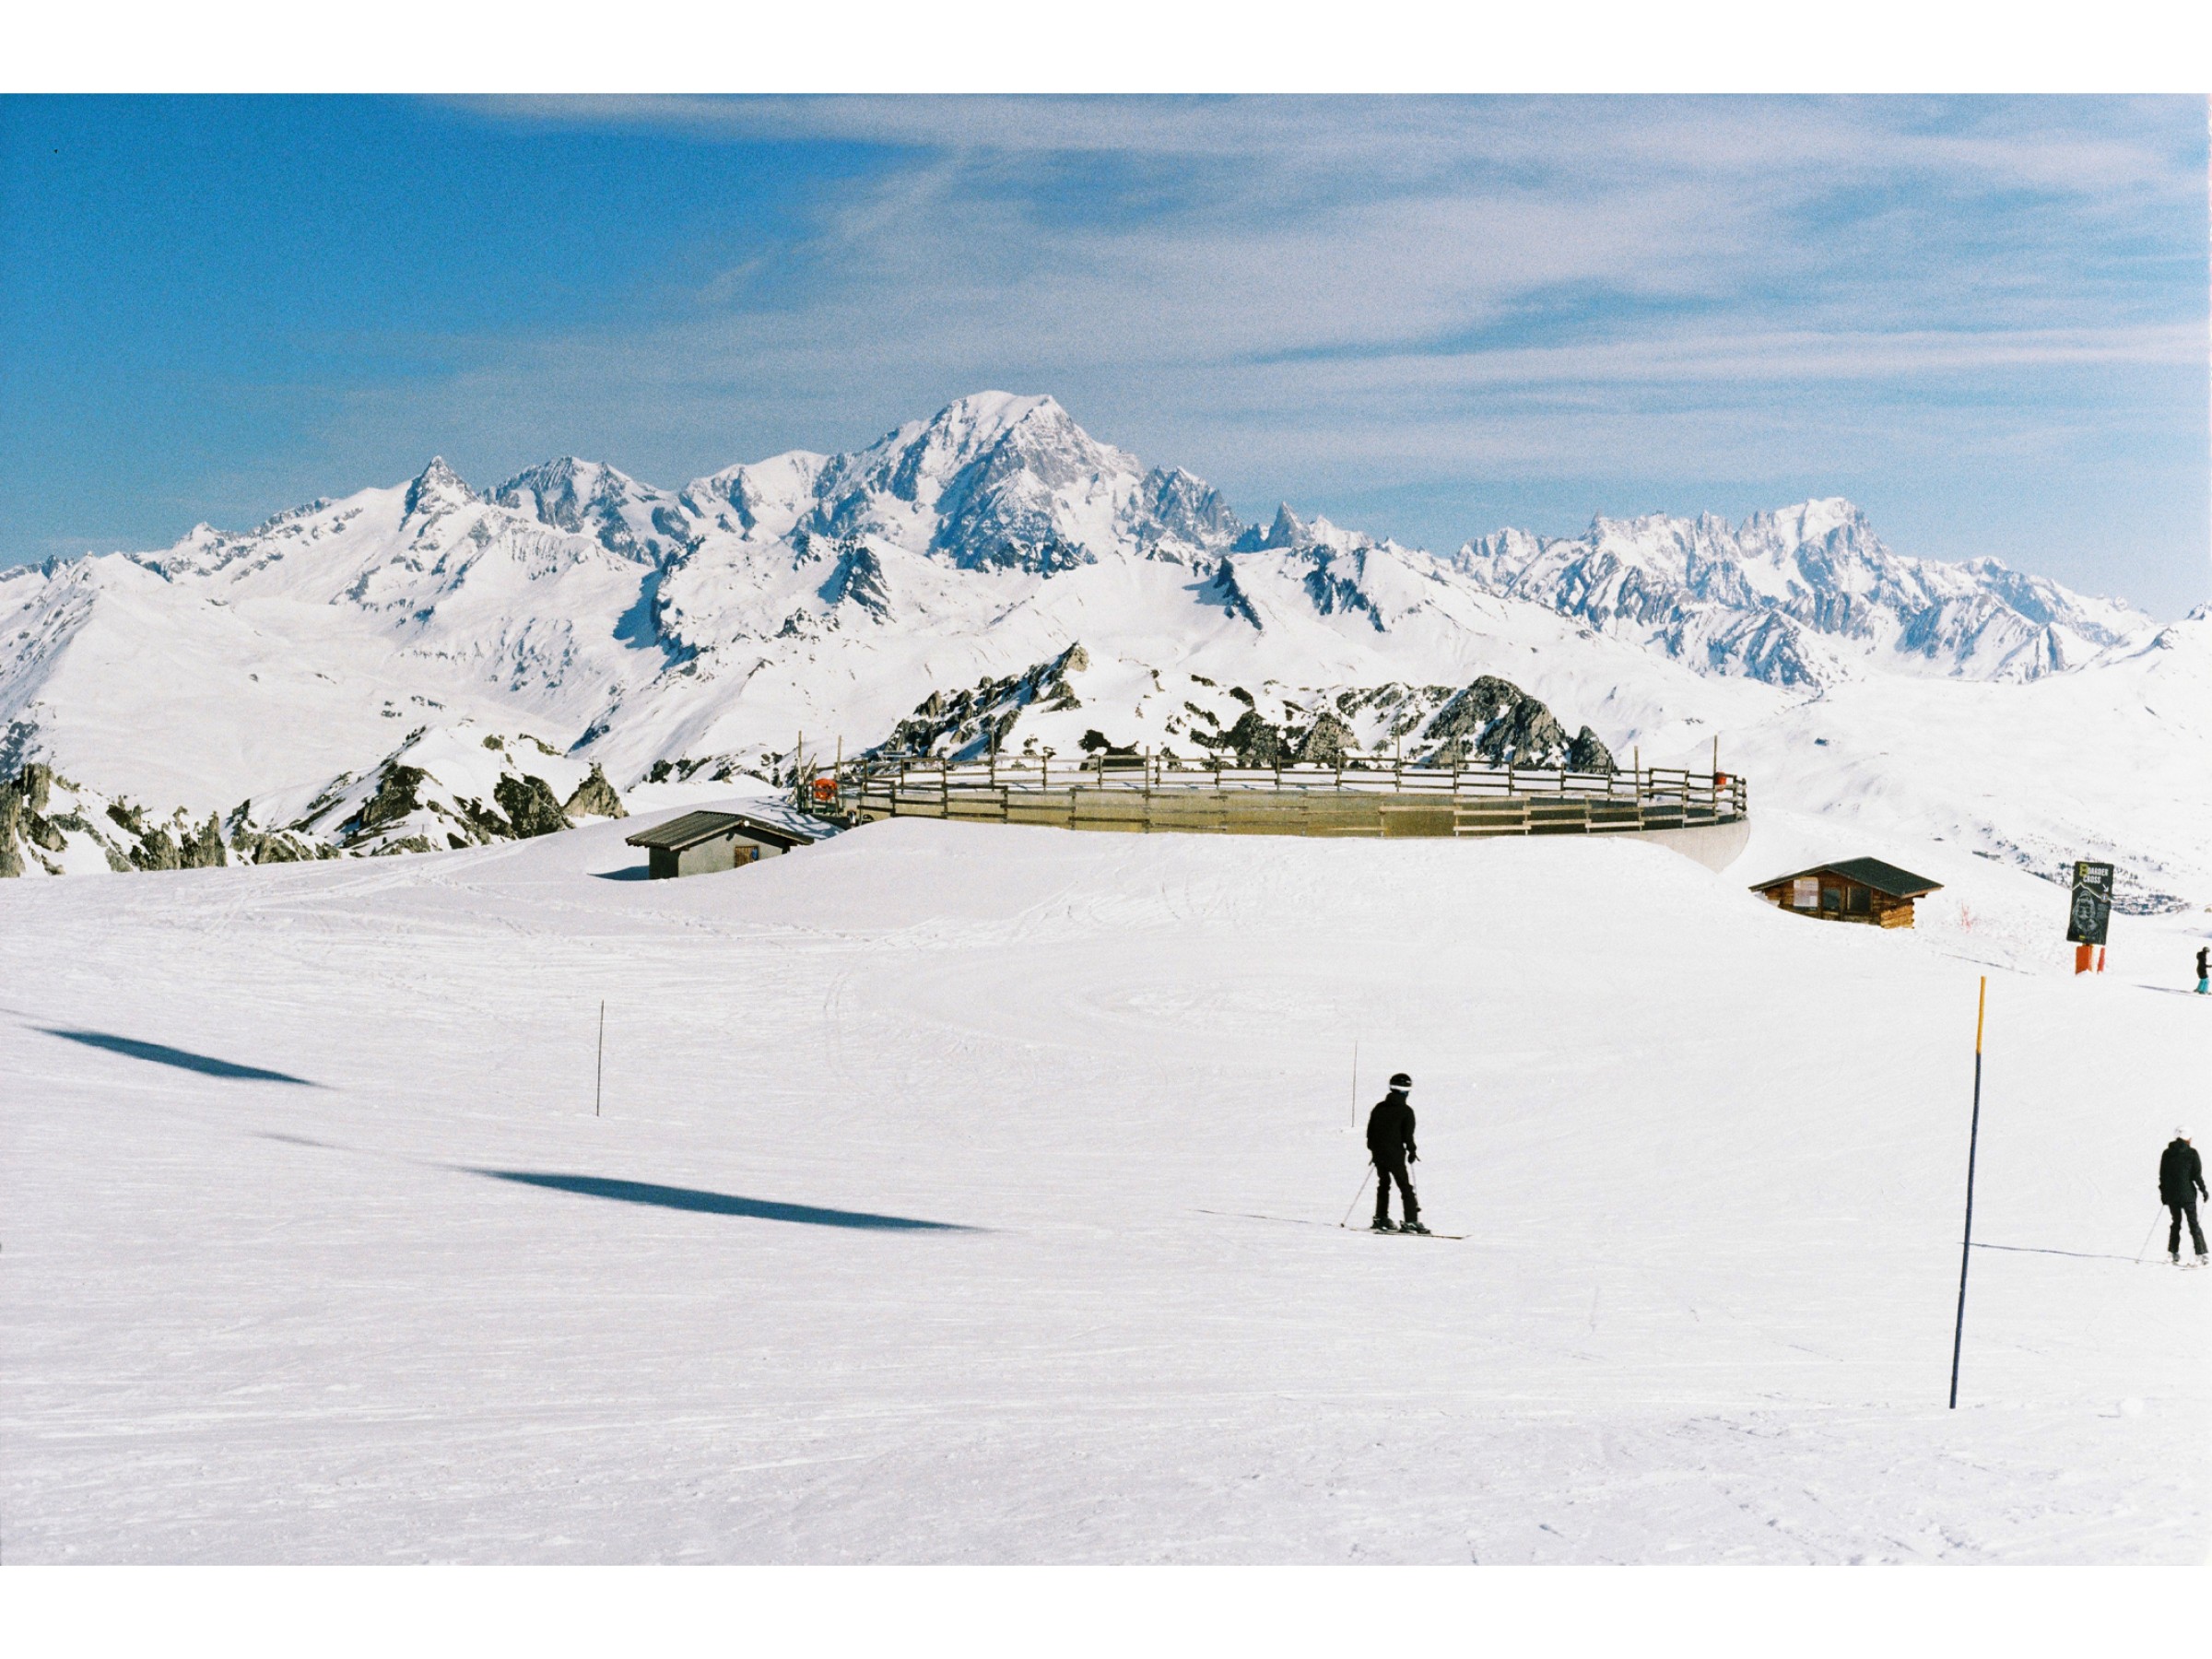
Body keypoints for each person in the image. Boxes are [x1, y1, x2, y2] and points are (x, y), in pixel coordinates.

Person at [1366, 1072, 1427, 1234]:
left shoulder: (1379, 1108)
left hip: (1379, 1154)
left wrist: (1374, 1151)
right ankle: (1411, 1221)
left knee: (1383, 1184)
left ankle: (1381, 1218)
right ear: (1406, 1091)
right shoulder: (1406, 1111)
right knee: (1405, 1187)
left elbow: (1370, 1133)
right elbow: (1408, 1136)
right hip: (1395, 1155)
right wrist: (1412, 1151)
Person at [2159, 1129, 2207, 1265]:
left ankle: (2172, 1253)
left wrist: (2163, 1195)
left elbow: (2163, 1176)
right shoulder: (2192, 1153)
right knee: (2193, 1224)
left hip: (2172, 1195)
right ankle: (2202, 1255)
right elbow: (2196, 1175)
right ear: (2187, 1139)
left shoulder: (2167, 1154)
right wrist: (2203, 1191)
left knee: (2176, 1223)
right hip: (2188, 1195)